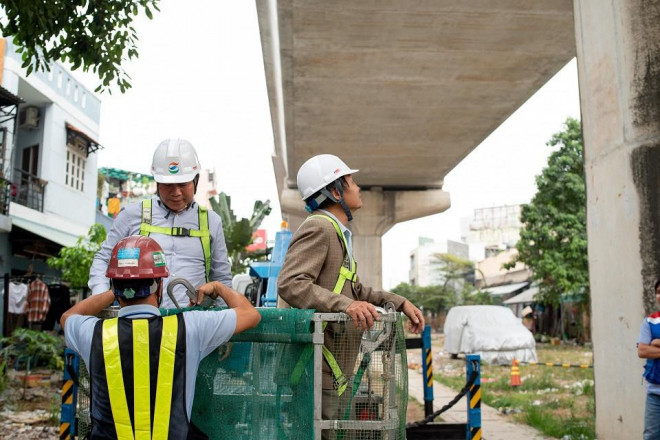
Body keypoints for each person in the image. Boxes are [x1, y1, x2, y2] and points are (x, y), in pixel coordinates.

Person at [277, 154, 425, 433]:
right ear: (335, 191)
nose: (357, 187)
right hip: (315, 368)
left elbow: (357, 291)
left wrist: (399, 302)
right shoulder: (319, 227)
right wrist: (346, 305)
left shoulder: (336, 232)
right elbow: (291, 283)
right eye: (351, 181)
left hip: (328, 369)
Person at [62, 236, 261, 439]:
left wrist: (114, 291)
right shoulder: (190, 327)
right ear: (160, 284)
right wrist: (218, 287)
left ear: (115, 284)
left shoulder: (93, 333)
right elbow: (250, 314)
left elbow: (67, 317)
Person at [89, 138, 232, 308]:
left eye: (182, 184)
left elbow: (222, 279)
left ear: (196, 180)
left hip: (192, 325)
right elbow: (103, 259)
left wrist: (225, 321)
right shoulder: (132, 215)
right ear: (157, 182)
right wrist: (100, 298)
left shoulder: (211, 222)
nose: (176, 192)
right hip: (141, 322)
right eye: (168, 185)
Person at [638, 278, 660, 440]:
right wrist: (652, 345)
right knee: (651, 436)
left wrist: (658, 342)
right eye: (658, 292)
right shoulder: (650, 321)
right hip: (655, 393)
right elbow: (643, 350)